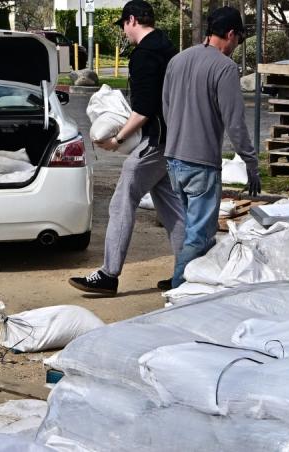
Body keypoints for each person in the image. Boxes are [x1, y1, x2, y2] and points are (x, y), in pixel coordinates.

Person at [69, 0, 184, 295]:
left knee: (122, 200)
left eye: (123, 25)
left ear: (131, 20)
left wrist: (117, 140)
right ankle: (189, 272)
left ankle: (109, 275)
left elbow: (144, 109)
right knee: (171, 208)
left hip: (154, 141)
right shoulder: (167, 48)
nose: (124, 31)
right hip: (172, 138)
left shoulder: (144, 55)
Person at [162, 6, 260, 289]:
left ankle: (194, 286)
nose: (236, 46)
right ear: (231, 34)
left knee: (191, 229)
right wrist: (251, 165)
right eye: (238, 40)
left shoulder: (177, 61)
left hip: (174, 160)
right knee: (200, 235)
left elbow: (166, 109)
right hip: (201, 163)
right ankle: (179, 287)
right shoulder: (225, 68)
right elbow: (236, 124)